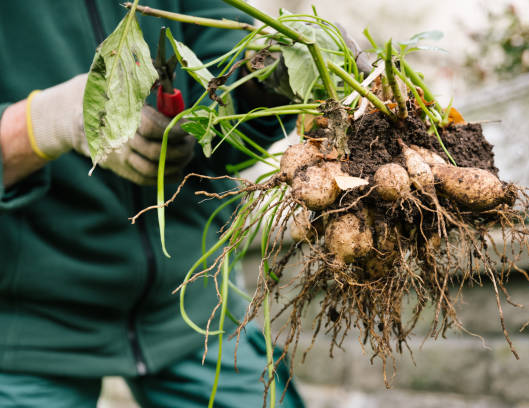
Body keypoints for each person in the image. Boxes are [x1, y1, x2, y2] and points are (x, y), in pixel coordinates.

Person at [0, 1, 303, 407]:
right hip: (28, 325)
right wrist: (45, 122)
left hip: (194, 304)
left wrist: (258, 80)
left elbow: (226, 113)